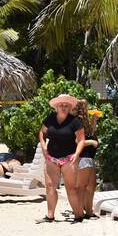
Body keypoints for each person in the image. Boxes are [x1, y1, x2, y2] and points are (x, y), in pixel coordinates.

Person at [37, 93, 87, 224]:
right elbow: (42, 132)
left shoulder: (75, 121)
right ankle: (50, 216)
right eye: (61, 105)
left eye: (66, 105)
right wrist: (43, 145)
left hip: (69, 158)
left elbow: (82, 140)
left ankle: (78, 215)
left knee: (71, 188)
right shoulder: (50, 118)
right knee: (49, 186)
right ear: (56, 107)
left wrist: (77, 154)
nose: (63, 107)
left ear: (70, 107)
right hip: (51, 157)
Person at [71, 100, 101, 218]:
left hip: (88, 156)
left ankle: (88, 211)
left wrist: (94, 121)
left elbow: (90, 133)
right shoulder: (76, 121)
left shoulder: (83, 122)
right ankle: (80, 212)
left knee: (91, 185)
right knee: (83, 186)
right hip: (84, 156)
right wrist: (91, 142)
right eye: (85, 107)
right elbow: (76, 140)